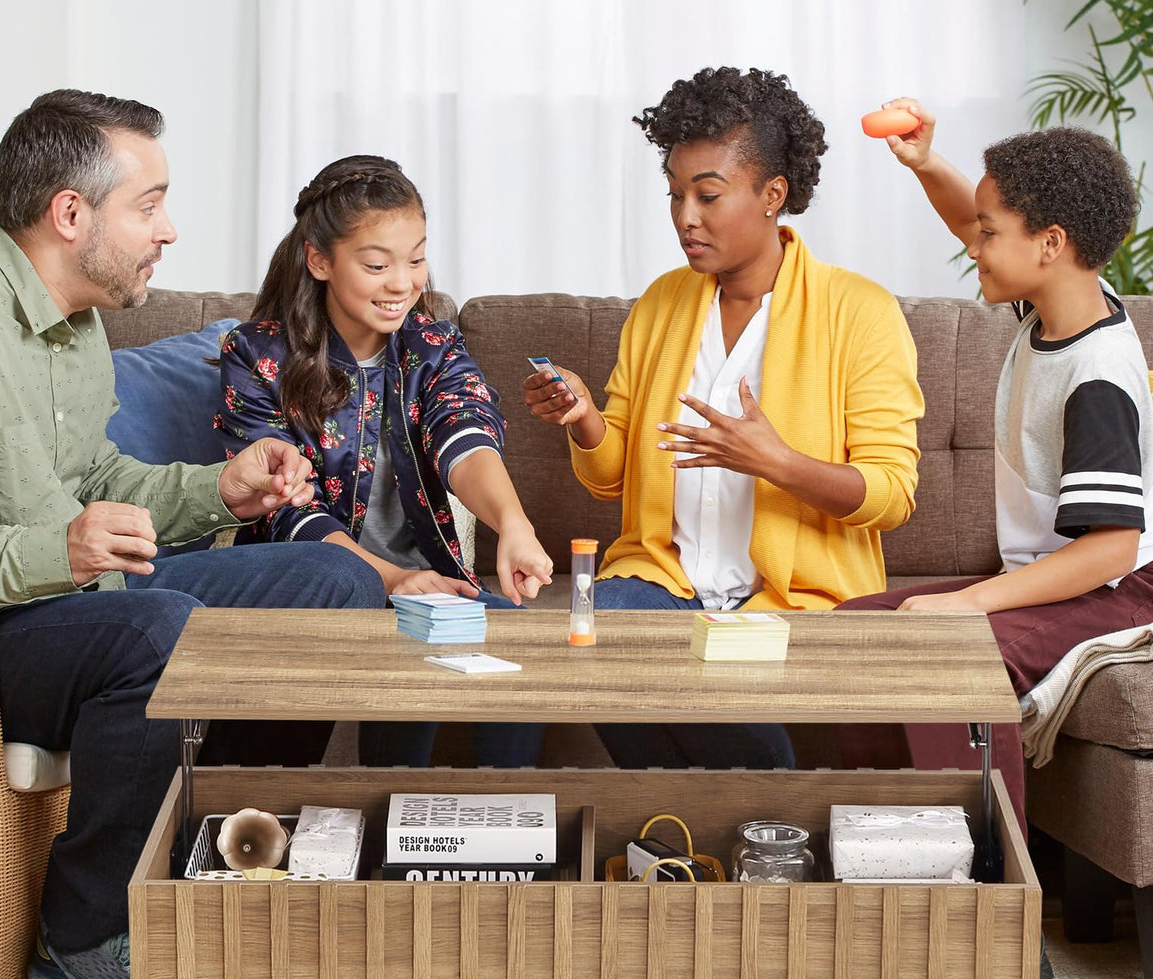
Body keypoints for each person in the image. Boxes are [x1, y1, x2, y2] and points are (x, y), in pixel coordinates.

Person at [0, 91, 388, 979]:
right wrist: (52, 548)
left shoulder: (76, 323)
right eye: (148, 205)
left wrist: (222, 489)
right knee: (159, 630)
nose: (168, 230)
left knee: (335, 582)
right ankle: (82, 933)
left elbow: (100, 477)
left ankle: (215, 861)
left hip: (90, 600)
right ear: (71, 213)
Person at [522, 66, 923, 770]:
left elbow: (892, 495)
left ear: (773, 195)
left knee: (721, 687)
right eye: (675, 194)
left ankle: (750, 813)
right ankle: (701, 821)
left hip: (791, 597)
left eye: (708, 195)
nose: (686, 216)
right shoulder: (662, 303)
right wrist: (585, 419)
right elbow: (611, 477)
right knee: (593, 634)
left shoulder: (860, 311)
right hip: (661, 580)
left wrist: (778, 463)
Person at [837, 102, 1153, 848]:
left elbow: (1111, 548)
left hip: (1122, 583)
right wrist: (926, 165)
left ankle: (994, 880)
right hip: (1061, 572)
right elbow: (975, 223)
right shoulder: (1056, 302)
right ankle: (883, 847)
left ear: (1051, 243)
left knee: (955, 651)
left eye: (988, 234)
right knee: (851, 632)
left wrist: (969, 603)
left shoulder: (1096, 376)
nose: (972, 247)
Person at [215, 155, 553, 767]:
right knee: (261, 776)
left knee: (518, 643)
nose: (403, 283)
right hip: (306, 588)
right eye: (377, 265)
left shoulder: (434, 346)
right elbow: (284, 511)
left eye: (416, 259)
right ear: (319, 260)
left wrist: (514, 524)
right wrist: (389, 579)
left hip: (427, 591)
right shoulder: (257, 355)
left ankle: (502, 821)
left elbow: (465, 434)